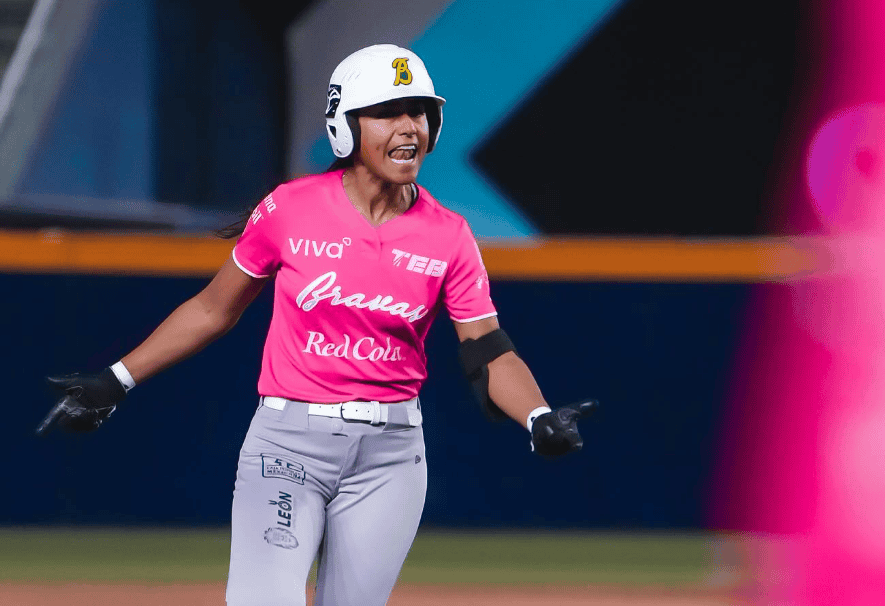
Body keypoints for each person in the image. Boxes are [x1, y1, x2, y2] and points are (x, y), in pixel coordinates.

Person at [37, 44, 596, 606]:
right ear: (345, 127)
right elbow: (214, 308)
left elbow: (488, 351)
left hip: (391, 456)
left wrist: (538, 415)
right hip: (288, 445)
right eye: (387, 112)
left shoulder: (449, 236)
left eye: (419, 111)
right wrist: (115, 380)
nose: (409, 128)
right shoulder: (289, 210)